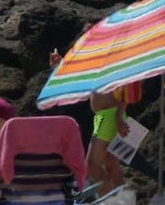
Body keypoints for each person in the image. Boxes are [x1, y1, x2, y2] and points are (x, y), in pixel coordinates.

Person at [48, 48, 131, 195]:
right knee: (111, 163)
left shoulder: (111, 58)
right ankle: (123, 204)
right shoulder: (100, 61)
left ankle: (108, 204)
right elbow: (80, 79)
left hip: (110, 116)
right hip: (106, 116)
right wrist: (60, 67)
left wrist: (118, 116)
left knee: (92, 165)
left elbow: (125, 89)